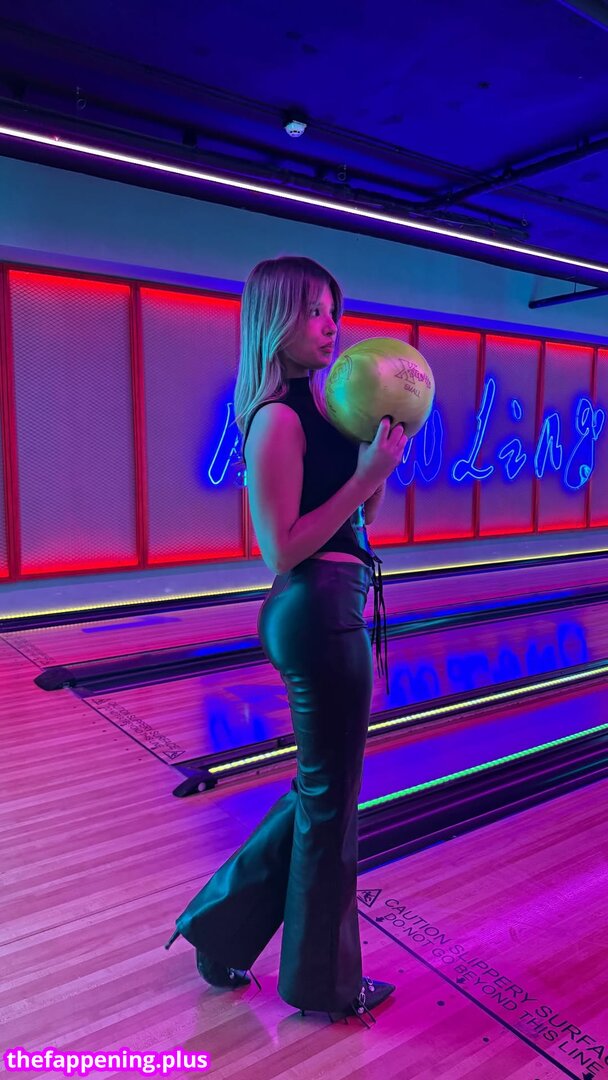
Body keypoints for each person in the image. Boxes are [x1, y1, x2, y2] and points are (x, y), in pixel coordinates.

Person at [165, 255, 407, 1024]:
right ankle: (324, 986)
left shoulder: (325, 409)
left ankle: (219, 930)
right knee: (331, 805)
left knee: (321, 792)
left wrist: (374, 465)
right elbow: (282, 546)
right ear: (275, 320)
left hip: (335, 605)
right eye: (312, 312)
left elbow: (351, 514)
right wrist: (366, 478)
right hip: (315, 611)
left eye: (334, 310)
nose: (330, 326)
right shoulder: (275, 417)